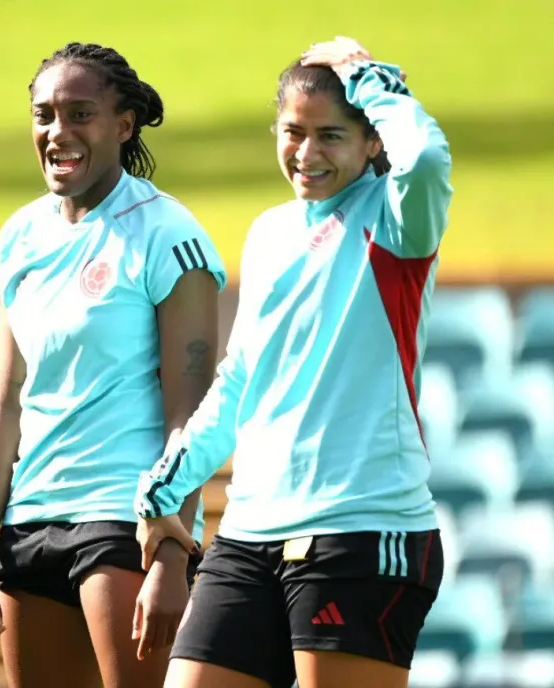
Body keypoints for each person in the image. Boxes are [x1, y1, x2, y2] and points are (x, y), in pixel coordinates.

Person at [134, 36, 452, 688]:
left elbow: (423, 157)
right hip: (249, 534)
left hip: (361, 533)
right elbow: (240, 381)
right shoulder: (269, 232)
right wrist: (161, 490)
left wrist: (366, 76)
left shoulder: (397, 220)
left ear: (370, 143)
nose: (305, 155)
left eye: (330, 136)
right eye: (292, 132)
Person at [0, 42, 227, 688]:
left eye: (80, 114)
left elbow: (189, 413)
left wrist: (170, 548)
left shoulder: (167, 235)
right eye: (43, 115)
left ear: (123, 124)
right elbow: (7, 401)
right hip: (30, 523)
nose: (57, 132)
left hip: (124, 521)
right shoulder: (18, 238)